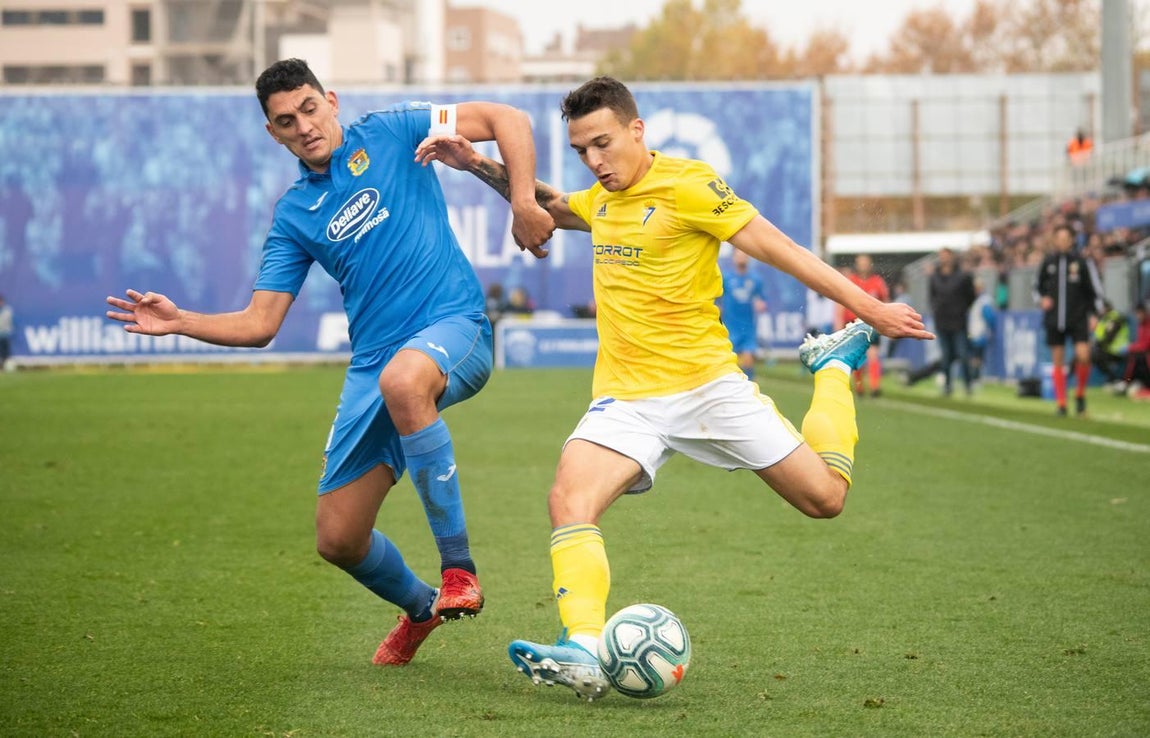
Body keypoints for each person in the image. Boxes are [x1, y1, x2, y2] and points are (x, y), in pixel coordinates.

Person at [414, 76, 933, 700]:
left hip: (708, 386)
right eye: (582, 151)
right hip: (626, 399)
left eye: (603, 143)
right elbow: (550, 207)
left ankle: (833, 369)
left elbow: (782, 250)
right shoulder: (601, 201)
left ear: (637, 130)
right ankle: (582, 645)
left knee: (825, 499)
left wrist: (866, 309)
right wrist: (473, 161)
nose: (595, 161)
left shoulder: (690, 186)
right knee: (568, 500)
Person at [105, 58, 555, 667]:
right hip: (373, 368)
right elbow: (261, 324)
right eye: (286, 121)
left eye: (310, 109)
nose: (304, 126)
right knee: (339, 539)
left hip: (456, 328)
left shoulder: (395, 129)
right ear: (274, 133)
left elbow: (507, 118)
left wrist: (522, 201)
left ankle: (459, 570)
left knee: (405, 380)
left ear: (331, 101)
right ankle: (422, 608)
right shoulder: (294, 214)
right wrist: (182, 320)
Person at [1035, 223, 1104, 416]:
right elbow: (1036, 288)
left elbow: (1095, 291)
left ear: (1072, 240)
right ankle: (1061, 403)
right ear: (1055, 240)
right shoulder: (1048, 262)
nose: (1063, 242)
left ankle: (1080, 395)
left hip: (1078, 317)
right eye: (1059, 238)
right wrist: (1042, 300)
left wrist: (1095, 314)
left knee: (1083, 355)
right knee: (1058, 360)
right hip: (1054, 318)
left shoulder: (1082, 263)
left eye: (1066, 238)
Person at [839, 254, 890, 397]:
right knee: (857, 356)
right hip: (853, 324)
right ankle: (859, 386)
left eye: (866, 263)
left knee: (873, 355)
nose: (863, 266)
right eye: (861, 263)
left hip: (872, 323)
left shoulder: (877, 282)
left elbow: (885, 301)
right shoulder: (851, 281)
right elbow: (841, 302)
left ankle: (875, 387)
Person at [928, 248, 976, 396]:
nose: (944, 259)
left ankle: (968, 385)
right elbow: (932, 297)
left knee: (963, 354)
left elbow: (971, 296)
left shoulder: (963, 276)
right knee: (946, 355)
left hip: (958, 321)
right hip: (941, 321)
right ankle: (948, 386)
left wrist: (961, 309)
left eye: (947, 256)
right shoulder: (935, 276)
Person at [720, 248, 767, 380]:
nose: (741, 258)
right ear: (733, 258)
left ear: (748, 258)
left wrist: (761, 304)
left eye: (744, 255)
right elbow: (718, 298)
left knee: (748, 358)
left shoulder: (755, 280)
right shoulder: (726, 278)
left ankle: (751, 384)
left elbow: (761, 299)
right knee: (730, 362)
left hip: (748, 326)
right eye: (739, 255)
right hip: (730, 325)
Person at [1091, 300, 1131, 387]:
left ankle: (1114, 379)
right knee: (1091, 353)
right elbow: (1100, 336)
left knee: (1095, 354)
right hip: (1109, 349)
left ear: (1107, 308)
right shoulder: (1104, 319)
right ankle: (1112, 379)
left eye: (1101, 309)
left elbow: (1109, 338)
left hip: (1119, 350)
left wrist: (1095, 344)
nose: (1100, 311)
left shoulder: (1115, 318)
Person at [967, 278, 997, 384]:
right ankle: (974, 377)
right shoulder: (976, 301)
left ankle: (976, 378)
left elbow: (990, 318)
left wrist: (988, 331)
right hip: (973, 333)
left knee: (977, 357)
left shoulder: (984, 301)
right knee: (974, 357)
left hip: (980, 334)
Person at [0, 294, 12, 370]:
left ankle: (5, 367)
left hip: (5, 335)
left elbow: (6, 323)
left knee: (6, 353)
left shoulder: (7, 311)